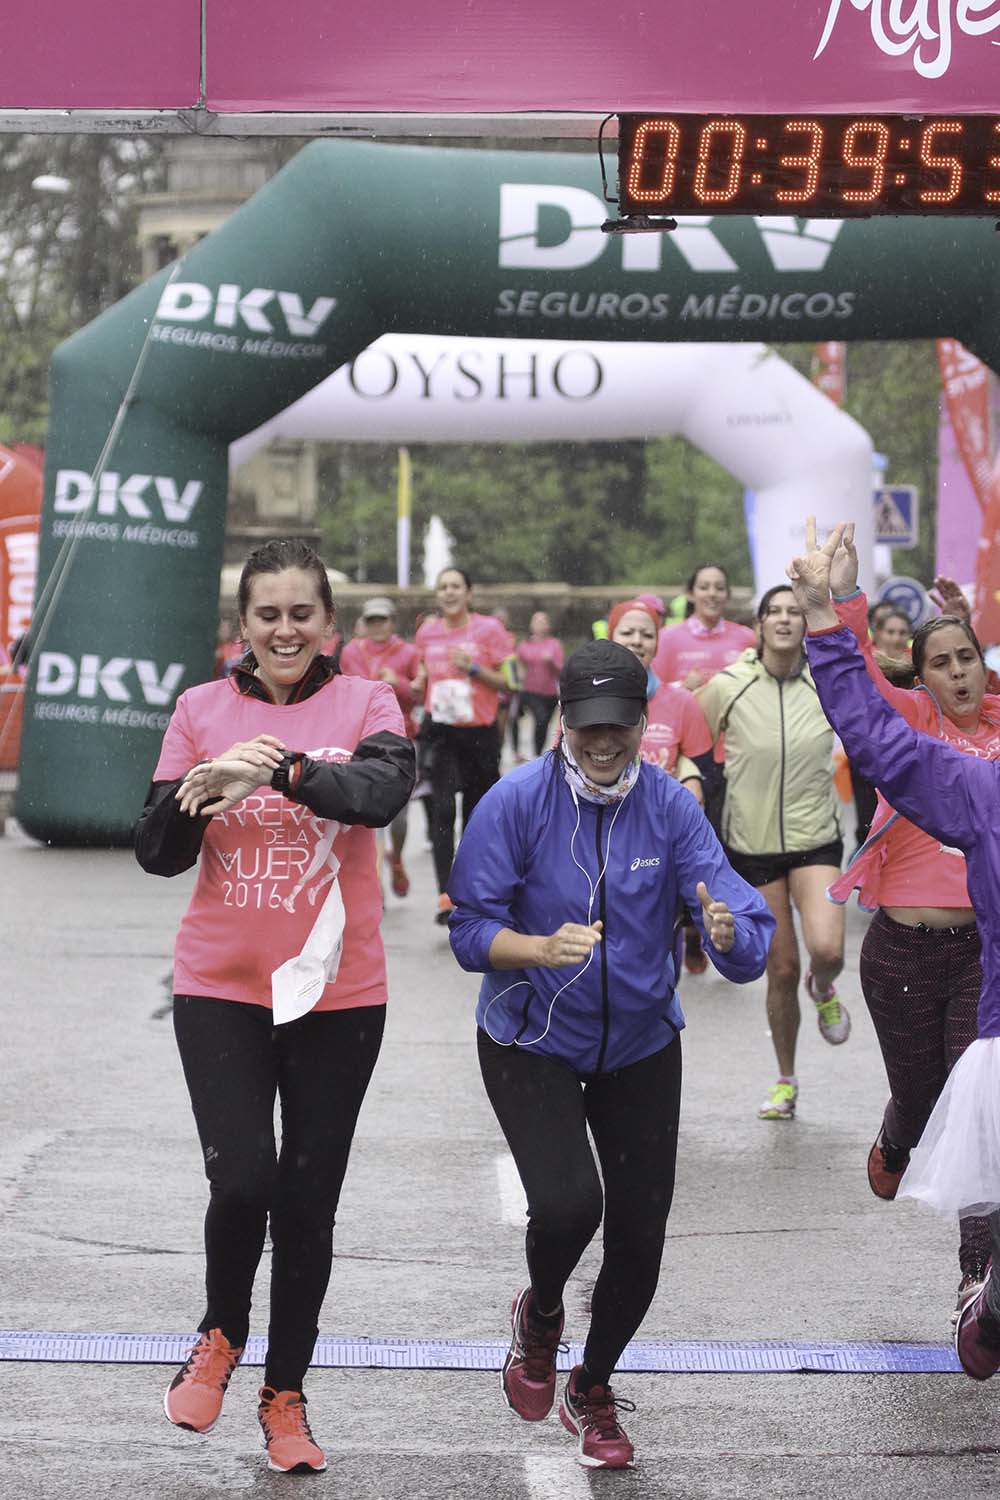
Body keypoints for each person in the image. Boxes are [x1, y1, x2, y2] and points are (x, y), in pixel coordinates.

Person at [448, 640, 774, 1468]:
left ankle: (591, 1386)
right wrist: (533, 948)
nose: (603, 744)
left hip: (638, 1044)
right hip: (530, 1038)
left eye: (618, 728)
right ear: (563, 722)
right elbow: (468, 930)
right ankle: (544, 1314)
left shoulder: (668, 808)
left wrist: (731, 935)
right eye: (588, 726)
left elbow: (732, 911)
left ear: (642, 724)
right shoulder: (516, 801)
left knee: (641, 1233)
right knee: (567, 1207)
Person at [134, 538, 414, 1473]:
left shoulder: (368, 702)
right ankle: (220, 1332)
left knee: (307, 1203)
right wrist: (194, 798)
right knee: (245, 1177)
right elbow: (155, 851)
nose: (285, 630)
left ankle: (285, 1395)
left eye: (302, 614)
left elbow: (380, 792)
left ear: (328, 623)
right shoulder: (199, 710)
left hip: (340, 994)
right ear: (243, 626)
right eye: (268, 614)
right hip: (221, 988)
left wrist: (281, 769)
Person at [789, 519, 1000, 1384]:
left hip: (979, 958)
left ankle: (974, 1283)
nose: (956, 673)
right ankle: (900, 1128)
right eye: (939, 660)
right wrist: (835, 606)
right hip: (907, 954)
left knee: (981, 1134)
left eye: (969, 658)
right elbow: (869, 716)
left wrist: (968, 612)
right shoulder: (955, 765)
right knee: (928, 1099)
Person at [697, 586, 848, 1121]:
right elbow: (687, 738)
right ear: (758, 626)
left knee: (827, 949)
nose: (785, 620)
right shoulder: (728, 687)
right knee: (780, 969)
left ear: (806, 626)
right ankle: (786, 1080)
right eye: (774, 613)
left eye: (794, 612)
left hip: (815, 839)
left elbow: (877, 722)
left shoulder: (827, 684)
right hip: (753, 847)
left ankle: (823, 986)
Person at [415, 567, 510, 924]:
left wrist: (473, 669)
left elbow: (510, 681)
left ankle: (470, 891)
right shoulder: (428, 632)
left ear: (469, 593)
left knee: (476, 817)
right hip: (440, 732)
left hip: (479, 734)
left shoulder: (489, 630)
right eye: (443, 587)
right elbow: (425, 675)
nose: (449, 593)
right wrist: (418, 684)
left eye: (456, 586)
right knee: (441, 812)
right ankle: (445, 893)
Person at [339, 595, 421, 898]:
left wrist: (396, 682)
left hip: (403, 740)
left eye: (382, 620)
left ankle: (396, 857)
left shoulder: (409, 653)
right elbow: (346, 694)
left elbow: (420, 695)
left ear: (392, 622)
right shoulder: (351, 652)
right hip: (362, 742)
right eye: (371, 620)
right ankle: (374, 886)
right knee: (369, 814)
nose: (376, 626)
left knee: (398, 817)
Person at [515, 610, 564, 758]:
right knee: (533, 717)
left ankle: (538, 753)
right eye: (536, 622)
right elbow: (518, 664)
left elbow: (561, 670)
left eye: (543, 622)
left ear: (548, 626)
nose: (539, 625)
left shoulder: (554, 645)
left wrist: (552, 662)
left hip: (549, 692)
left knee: (543, 723)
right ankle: (524, 752)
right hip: (529, 690)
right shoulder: (524, 645)